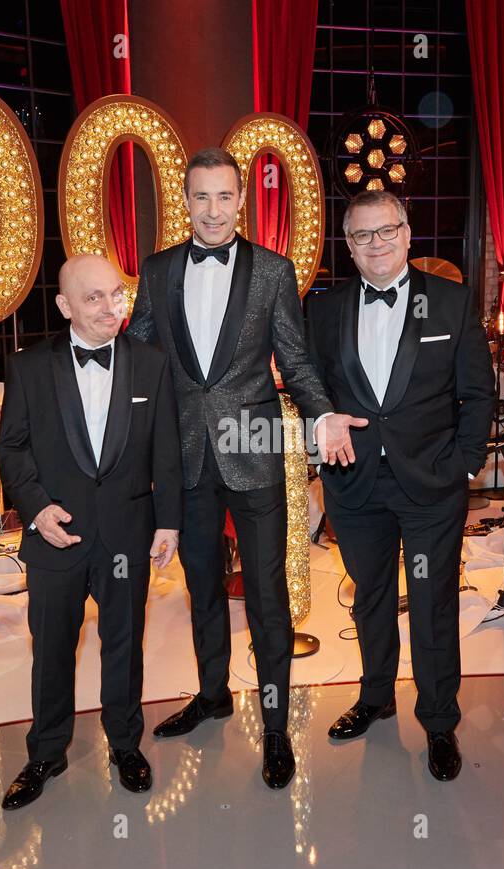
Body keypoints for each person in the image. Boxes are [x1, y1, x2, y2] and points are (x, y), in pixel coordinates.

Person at [127, 148, 366, 789]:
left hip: (254, 452)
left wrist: (323, 416)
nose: (212, 209)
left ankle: (277, 726)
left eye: (224, 197)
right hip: (185, 460)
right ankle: (212, 696)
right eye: (200, 197)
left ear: (241, 201)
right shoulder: (156, 271)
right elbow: (137, 361)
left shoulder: (272, 272)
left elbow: (296, 357)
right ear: (185, 201)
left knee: (266, 598)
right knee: (201, 590)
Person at [305, 189, 495, 781]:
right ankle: (376, 695)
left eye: (386, 230)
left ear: (408, 233)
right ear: (350, 246)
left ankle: (439, 722)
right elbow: (308, 383)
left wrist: (464, 464)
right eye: (362, 235)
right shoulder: (325, 309)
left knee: (433, 604)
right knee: (370, 598)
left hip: (432, 484)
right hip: (354, 484)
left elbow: (478, 393)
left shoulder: (451, 302)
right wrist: (319, 424)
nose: (376, 243)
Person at [0, 254, 182, 809]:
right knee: (52, 647)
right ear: (65, 306)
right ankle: (46, 752)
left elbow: (166, 449)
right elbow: (12, 447)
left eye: (116, 295)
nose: (110, 307)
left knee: (123, 645)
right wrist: (37, 509)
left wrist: (168, 520)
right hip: (56, 534)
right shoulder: (29, 367)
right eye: (95, 297)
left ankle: (126, 744)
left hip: (128, 531)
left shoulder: (152, 364)